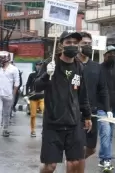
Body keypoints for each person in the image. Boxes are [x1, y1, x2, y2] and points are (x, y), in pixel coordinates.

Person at [35, 31, 92, 173]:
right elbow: (36, 87)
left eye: (75, 43)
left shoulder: (79, 67)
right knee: (50, 166)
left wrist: (87, 116)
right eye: (68, 42)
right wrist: (46, 75)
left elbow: (82, 94)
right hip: (53, 124)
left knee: (75, 163)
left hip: (73, 123)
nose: (72, 45)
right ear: (61, 45)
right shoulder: (50, 64)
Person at [76, 31, 110, 171]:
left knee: (91, 149)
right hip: (75, 113)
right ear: (78, 45)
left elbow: (103, 89)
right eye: (84, 44)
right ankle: (74, 163)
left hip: (92, 113)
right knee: (78, 147)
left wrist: (108, 110)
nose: (87, 46)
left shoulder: (97, 67)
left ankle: (75, 162)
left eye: (89, 44)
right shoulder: (71, 65)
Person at [98, 45, 115, 170]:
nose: (113, 56)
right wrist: (106, 109)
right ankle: (106, 159)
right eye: (110, 53)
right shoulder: (99, 69)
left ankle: (103, 158)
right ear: (104, 55)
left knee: (111, 134)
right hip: (102, 108)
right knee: (105, 132)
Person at [26, 61, 44, 137]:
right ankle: (32, 130)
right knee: (33, 115)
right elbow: (27, 84)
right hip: (33, 97)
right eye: (38, 65)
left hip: (42, 97)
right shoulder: (32, 75)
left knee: (44, 112)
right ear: (35, 66)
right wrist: (27, 93)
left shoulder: (45, 74)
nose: (39, 66)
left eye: (40, 65)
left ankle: (45, 129)